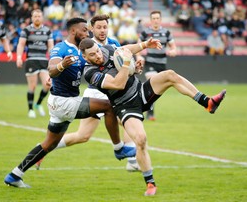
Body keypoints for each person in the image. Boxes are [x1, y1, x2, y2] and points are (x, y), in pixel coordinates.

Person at [79, 37, 226, 196]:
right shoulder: (90, 72)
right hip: (125, 106)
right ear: (85, 57)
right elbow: (118, 84)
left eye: (98, 51)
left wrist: (143, 48)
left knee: (169, 75)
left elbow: (126, 50)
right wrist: (127, 64)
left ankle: (207, 102)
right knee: (141, 140)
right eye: (93, 55)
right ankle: (150, 183)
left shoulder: (107, 49)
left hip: (140, 91)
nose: (98, 55)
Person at [4, 17, 136, 188]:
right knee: (108, 108)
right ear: (73, 31)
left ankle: (14, 175)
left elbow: (102, 63)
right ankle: (119, 149)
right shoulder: (61, 48)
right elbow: (51, 69)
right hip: (64, 102)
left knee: (48, 144)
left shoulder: (84, 50)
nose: (87, 33)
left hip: (63, 102)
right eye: (84, 30)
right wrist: (61, 67)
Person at [36, 14, 140, 172]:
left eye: (105, 27)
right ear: (91, 29)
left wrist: (135, 68)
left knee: (83, 136)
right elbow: (73, 65)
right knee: (125, 120)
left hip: (112, 90)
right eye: (98, 27)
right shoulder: (86, 45)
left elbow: (123, 69)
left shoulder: (114, 44)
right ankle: (128, 157)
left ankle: (131, 159)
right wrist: (55, 78)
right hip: (96, 93)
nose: (102, 30)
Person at [138, 10, 177, 121]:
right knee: (152, 84)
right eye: (153, 18)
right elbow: (138, 46)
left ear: (160, 20)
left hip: (162, 64)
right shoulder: (146, 33)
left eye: (157, 18)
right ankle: (150, 114)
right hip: (150, 62)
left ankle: (146, 108)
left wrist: (173, 51)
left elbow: (173, 47)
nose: (155, 20)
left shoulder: (166, 33)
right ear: (151, 20)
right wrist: (139, 57)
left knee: (157, 90)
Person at [16, 9, 54, 118]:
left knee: (48, 84)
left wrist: (53, 58)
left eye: (39, 16)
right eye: (35, 16)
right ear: (32, 18)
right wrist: (19, 57)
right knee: (32, 86)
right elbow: (21, 44)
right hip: (31, 60)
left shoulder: (47, 31)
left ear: (42, 18)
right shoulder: (26, 30)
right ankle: (30, 109)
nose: (37, 18)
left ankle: (38, 104)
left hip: (43, 61)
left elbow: (50, 46)